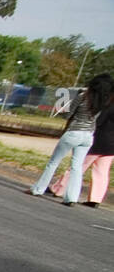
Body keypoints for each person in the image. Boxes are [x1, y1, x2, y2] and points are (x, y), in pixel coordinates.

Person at [31, 73, 114, 205]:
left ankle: (45, 189)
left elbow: (69, 114)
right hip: (96, 139)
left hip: (83, 135)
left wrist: (62, 105)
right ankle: (79, 198)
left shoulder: (84, 97)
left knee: (56, 162)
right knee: (86, 169)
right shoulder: (104, 101)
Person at [48, 100, 114, 207]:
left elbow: (98, 122)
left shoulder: (108, 106)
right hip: (111, 146)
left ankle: (59, 188)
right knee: (102, 172)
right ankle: (95, 198)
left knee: (78, 166)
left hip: (98, 141)